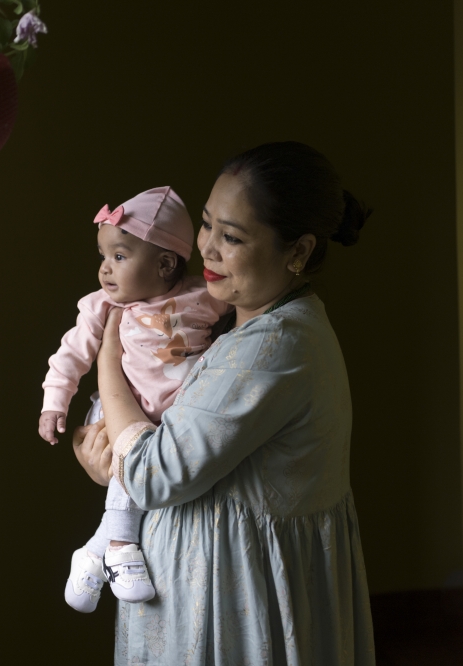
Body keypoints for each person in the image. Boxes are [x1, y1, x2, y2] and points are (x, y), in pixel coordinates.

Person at [73, 143, 377, 664]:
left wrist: (109, 352)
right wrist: (100, 449)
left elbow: (151, 471)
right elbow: (161, 431)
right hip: (200, 596)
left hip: (233, 609)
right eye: (207, 224)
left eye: (232, 237)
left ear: (298, 251)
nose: (207, 248)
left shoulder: (271, 348)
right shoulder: (225, 325)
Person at [38, 187, 230, 613]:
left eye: (119, 257)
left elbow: (238, 312)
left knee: (153, 462)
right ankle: (122, 545)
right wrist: (55, 401)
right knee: (132, 456)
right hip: (118, 407)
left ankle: (93, 553)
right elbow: (70, 354)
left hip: (170, 417)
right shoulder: (102, 307)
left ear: (165, 264)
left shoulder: (202, 296)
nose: (106, 270)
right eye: (104, 257)